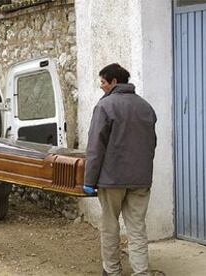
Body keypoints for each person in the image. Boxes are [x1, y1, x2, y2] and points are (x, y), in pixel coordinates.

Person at [83, 63, 157, 276]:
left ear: (114, 82)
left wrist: (89, 180)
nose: (101, 87)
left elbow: (96, 146)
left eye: (103, 82)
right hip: (140, 180)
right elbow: (151, 143)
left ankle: (112, 271)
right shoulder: (146, 106)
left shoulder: (105, 106)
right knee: (137, 228)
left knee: (109, 226)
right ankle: (142, 272)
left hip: (111, 180)